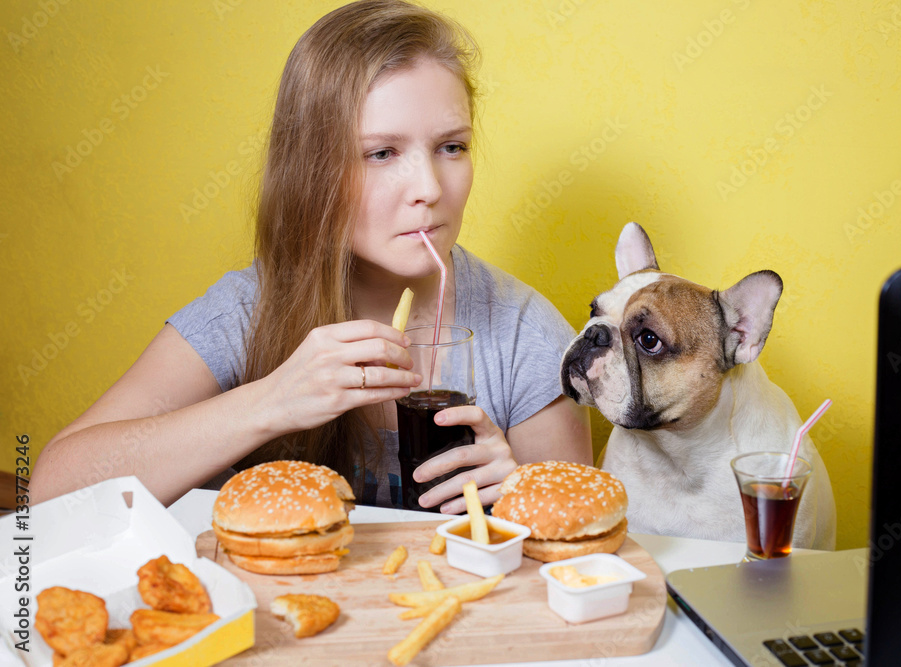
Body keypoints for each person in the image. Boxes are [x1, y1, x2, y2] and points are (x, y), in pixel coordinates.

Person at [32, 0, 592, 512]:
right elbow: (52, 489)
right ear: (312, 170)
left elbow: (577, 561)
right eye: (380, 152)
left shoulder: (524, 333)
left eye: (452, 147)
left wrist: (521, 495)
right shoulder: (247, 311)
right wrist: (270, 402)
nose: (428, 186)